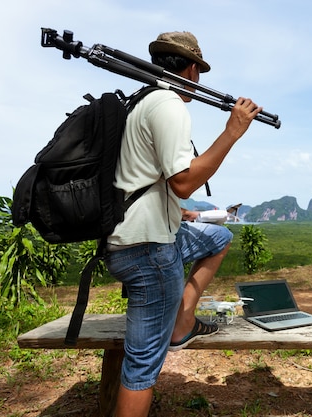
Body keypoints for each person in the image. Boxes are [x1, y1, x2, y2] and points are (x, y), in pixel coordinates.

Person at [104, 31, 261, 417]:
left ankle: (181, 322)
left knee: (219, 235)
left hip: (139, 236)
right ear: (191, 68)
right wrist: (231, 132)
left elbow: (155, 180)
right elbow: (184, 180)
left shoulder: (141, 102)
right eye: (198, 72)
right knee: (141, 366)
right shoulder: (168, 105)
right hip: (149, 250)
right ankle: (176, 329)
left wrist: (182, 212)